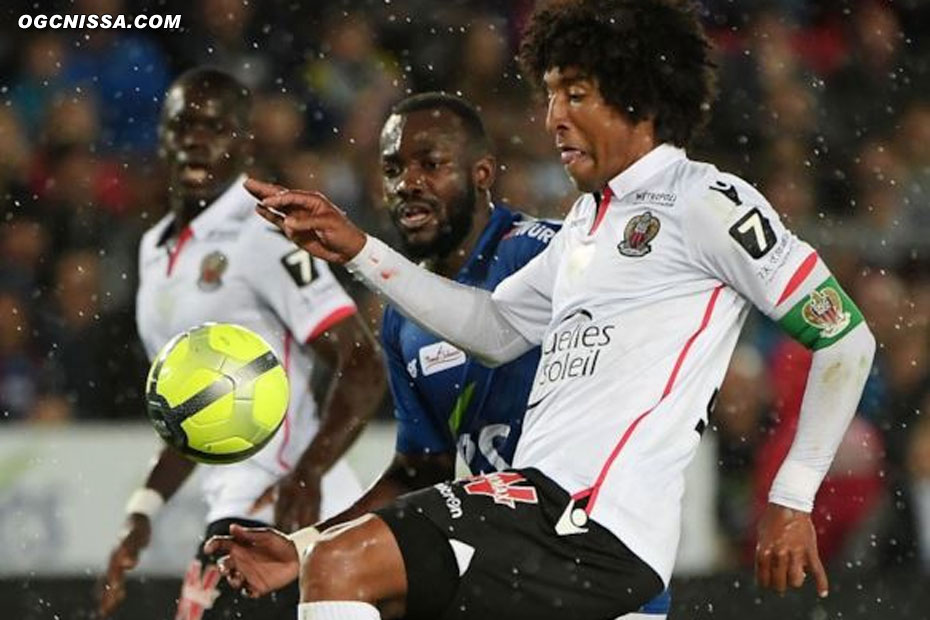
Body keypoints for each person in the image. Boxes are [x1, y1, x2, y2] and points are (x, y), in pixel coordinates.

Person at [251, 1, 877, 618]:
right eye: (550, 96)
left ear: (639, 97)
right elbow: (494, 328)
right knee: (342, 566)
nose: (554, 118)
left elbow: (846, 338)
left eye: (575, 95)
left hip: (590, 517)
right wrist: (359, 250)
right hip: (553, 517)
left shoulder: (705, 200)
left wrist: (792, 497)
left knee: (343, 567)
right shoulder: (587, 222)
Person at [205, 92, 670, 620]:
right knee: (337, 570)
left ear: (482, 174)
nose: (409, 183)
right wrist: (303, 544)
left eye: (432, 164)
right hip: (497, 557)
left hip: (582, 555)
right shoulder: (406, 316)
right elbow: (421, 469)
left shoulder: (544, 256)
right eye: (393, 168)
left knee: (345, 570)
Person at [95, 67, 386, 620]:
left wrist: (309, 472)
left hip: (277, 502)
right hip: (236, 504)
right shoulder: (153, 249)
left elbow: (363, 360)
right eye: (185, 124)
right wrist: (143, 510)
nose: (197, 139)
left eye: (216, 126)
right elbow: (193, 410)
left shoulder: (265, 232)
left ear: (244, 142)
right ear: (162, 136)